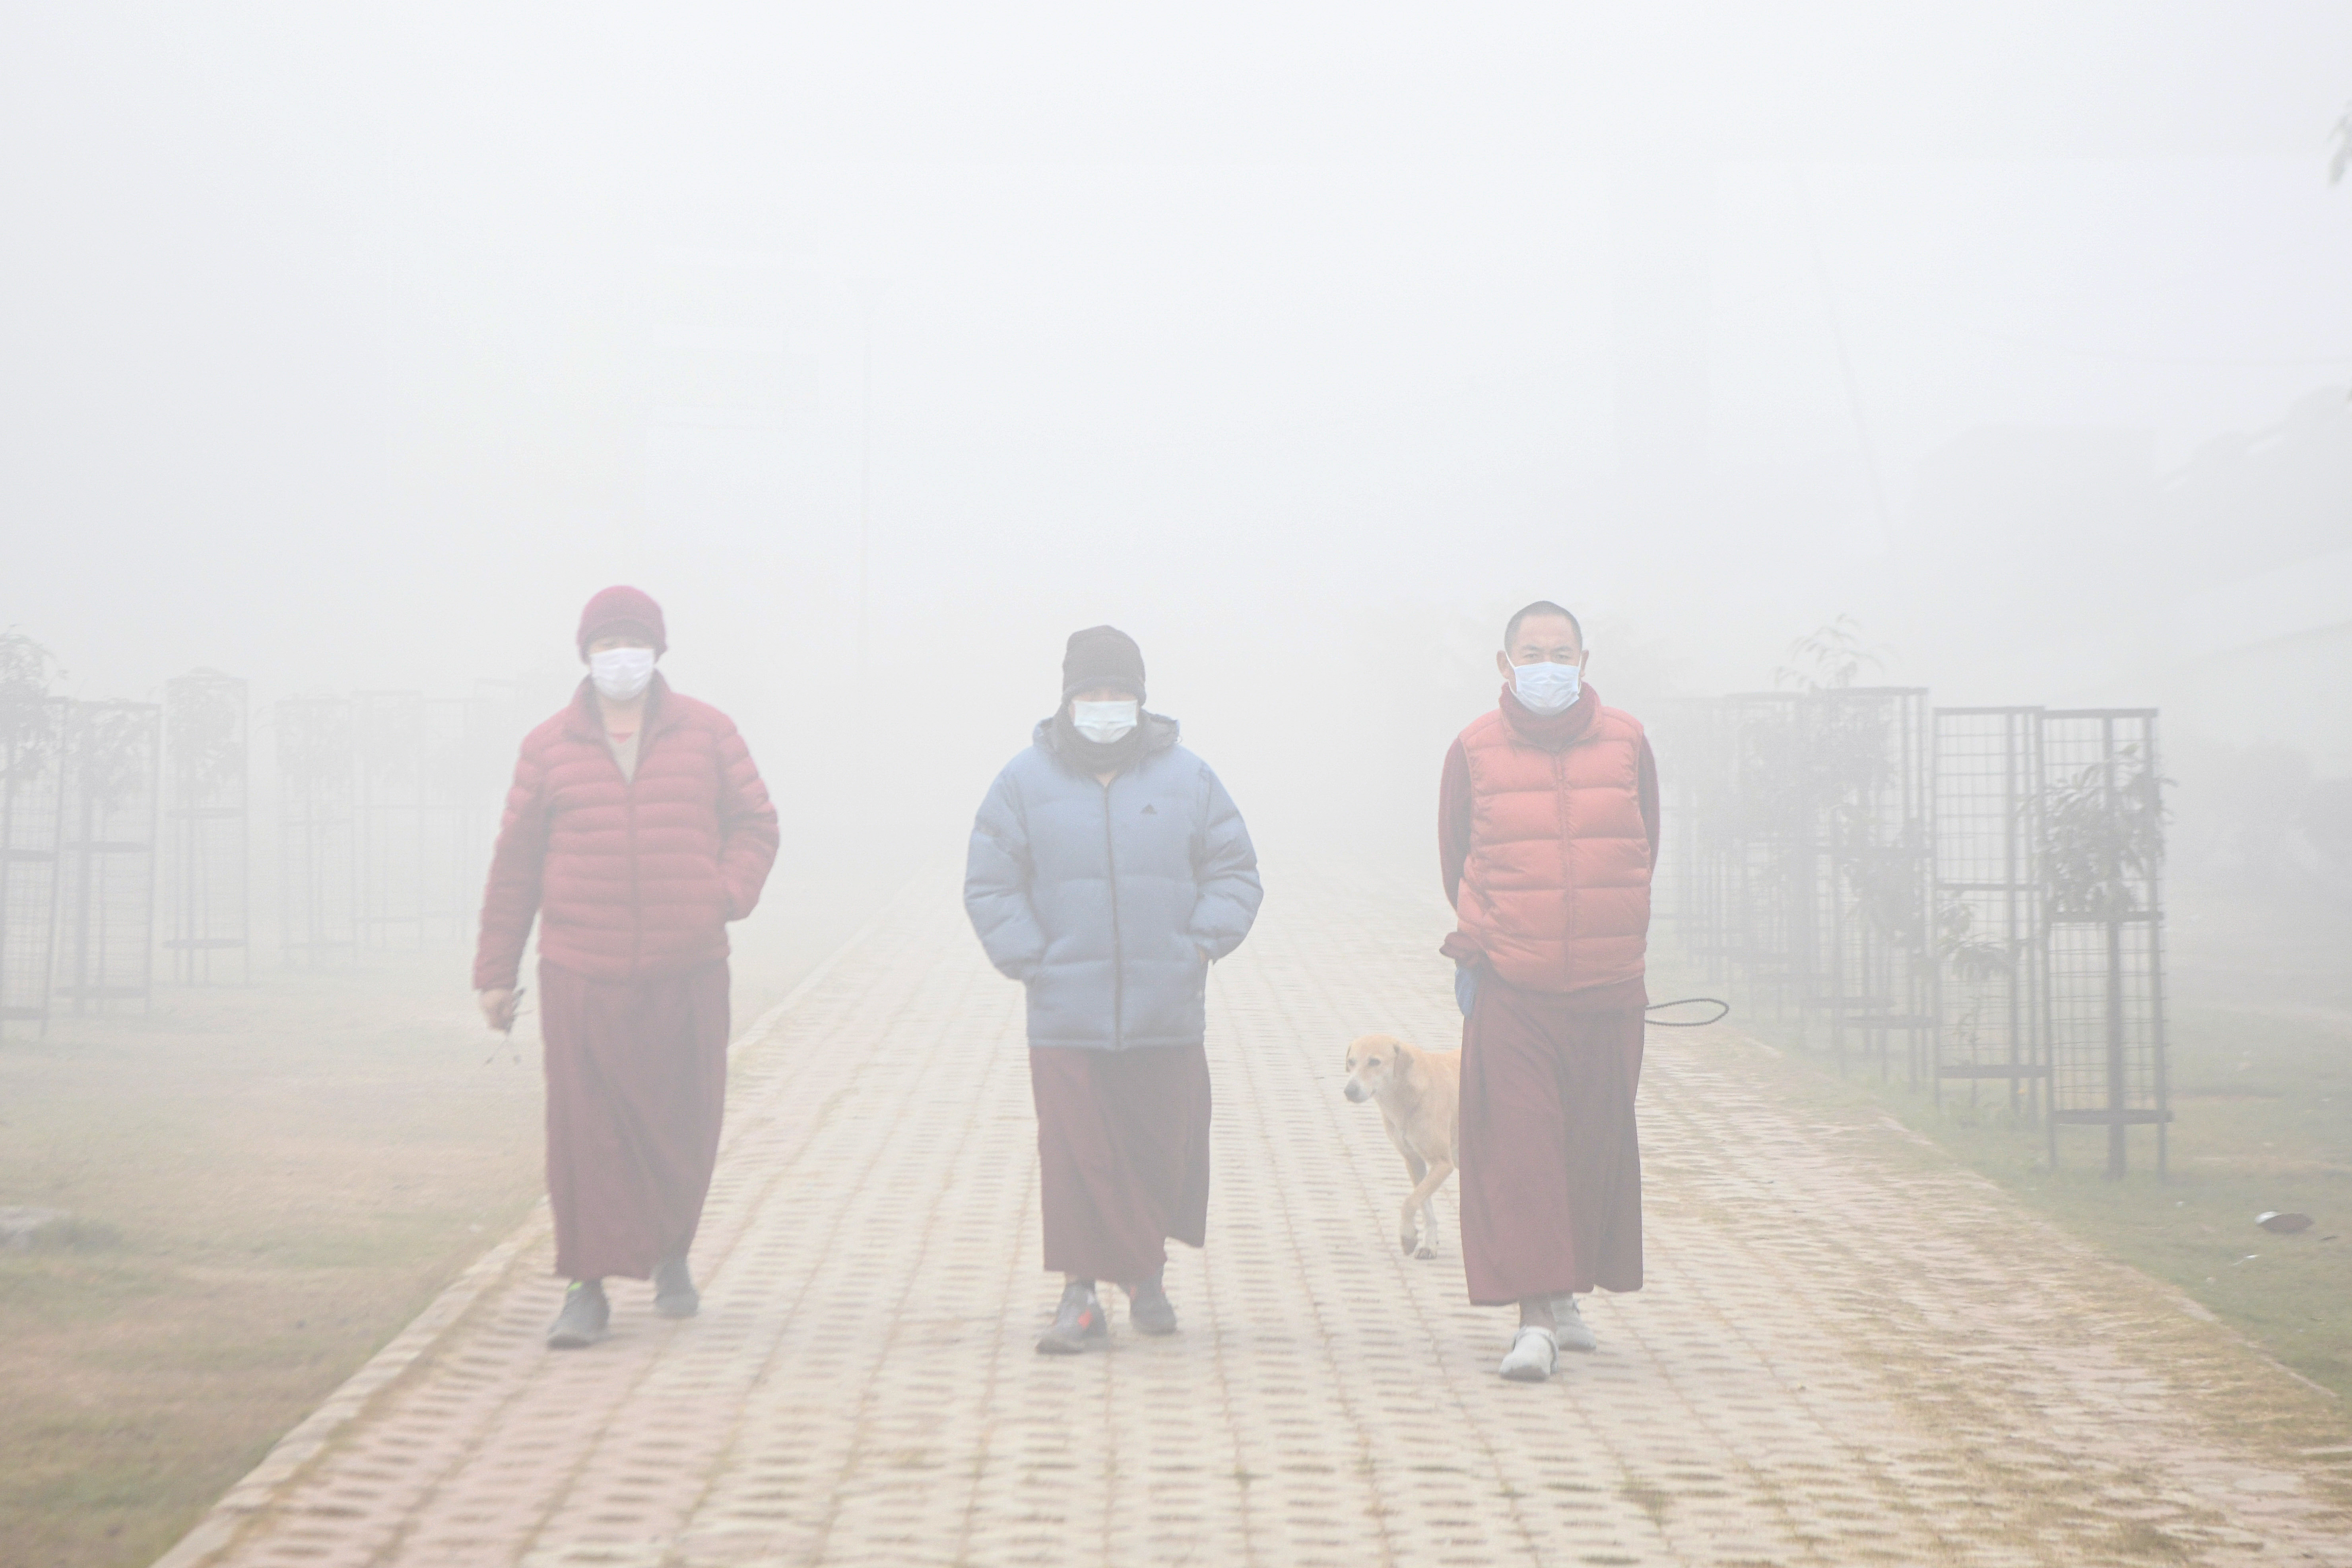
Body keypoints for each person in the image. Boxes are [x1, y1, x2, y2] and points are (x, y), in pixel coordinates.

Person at [474, 585, 780, 1349]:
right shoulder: (548, 748)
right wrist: (494, 971)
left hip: (689, 967)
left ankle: (670, 1251)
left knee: (681, 1121)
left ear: (659, 651)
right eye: (606, 644)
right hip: (582, 968)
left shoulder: (709, 734)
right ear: (585, 654)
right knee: (586, 1133)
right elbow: (514, 866)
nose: (621, 657)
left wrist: (726, 894)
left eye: (633, 642)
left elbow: (756, 824)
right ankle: (587, 1285)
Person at [964, 625, 1263, 1355]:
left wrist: (1197, 945)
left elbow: (1235, 873)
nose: (1105, 705)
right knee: (1075, 1157)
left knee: (1159, 1151)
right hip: (1066, 1016)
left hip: (1166, 1012)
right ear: (1067, 700)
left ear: (1140, 699)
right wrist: (1033, 957)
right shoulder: (1022, 782)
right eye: (1091, 693)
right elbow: (991, 882)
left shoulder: (1188, 779)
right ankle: (1079, 1297)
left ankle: (1145, 1275)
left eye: (1118, 693)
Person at [1439, 600, 1658, 1382]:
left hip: (1606, 988)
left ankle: (1567, 1292)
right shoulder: (1472, 750)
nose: (1547, 665)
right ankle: (1534, 1319)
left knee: (1589, 1147)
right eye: (1532, 652)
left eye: (1561, 653)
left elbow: (1644, 845)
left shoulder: (1629, 741)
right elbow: (1456, 852)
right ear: (1504, 665)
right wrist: (1494, 938)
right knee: (1521, 1151)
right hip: (1512, 987)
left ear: (1585, 661)